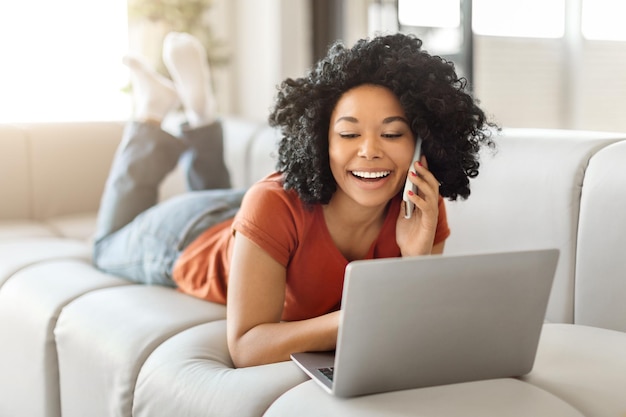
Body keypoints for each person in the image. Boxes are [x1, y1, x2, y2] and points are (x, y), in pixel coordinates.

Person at [93, 31, 495, 368]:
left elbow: (407, 330)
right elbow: (247, 347)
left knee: (256, 205)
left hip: (260, 221)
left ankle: (199, 113)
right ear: (322, 140)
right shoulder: (271, 204)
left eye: (392, 134)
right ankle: (150, 113)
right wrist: (352, 321)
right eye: (349, 134)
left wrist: (416, 260)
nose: (370, 151)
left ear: (422, 143)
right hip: (189, 237)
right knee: (106, 245)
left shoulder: (420, 206)